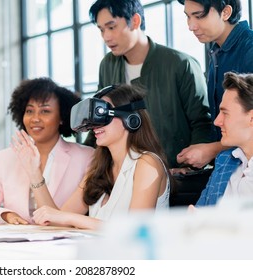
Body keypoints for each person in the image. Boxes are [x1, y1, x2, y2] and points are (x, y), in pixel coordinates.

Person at [13, 84, 170, 230]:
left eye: (101, 115)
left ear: (130, 119)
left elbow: (135, 231)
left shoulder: (147, 164)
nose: (95, 125)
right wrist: (34, 173)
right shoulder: (98, 169)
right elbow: (55, 221)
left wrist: (71, 219)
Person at [87, 0, 212, 172]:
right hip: (121, 173)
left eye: (112, 27)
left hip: (173, 174)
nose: (106, 37)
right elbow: (99, 118)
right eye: (101, 30)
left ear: (135, 21)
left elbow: (202, 124)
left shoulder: (181, 65)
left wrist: (188, 167)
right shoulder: (107, 65)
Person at [0, 77, 94, 224]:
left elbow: (63, 221)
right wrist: (6, 215)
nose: (35, 118)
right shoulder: (5, 158)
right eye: (29, 111)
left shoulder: (86, 157)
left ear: (62, 117)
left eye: (45, 111)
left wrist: (35, 174)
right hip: (16, 243)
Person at [177, 0, 253, 169]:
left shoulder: (249, 50)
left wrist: (213, 150)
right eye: (188, 17)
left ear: (225, 12)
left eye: (198, 16)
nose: (191, 26)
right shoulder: (218, 51)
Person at [195, 72, 253, 206]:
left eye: (225, 113)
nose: (216, 121)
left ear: (251, 118)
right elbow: (200, 210)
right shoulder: (224, 160)